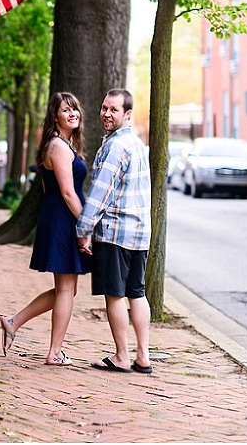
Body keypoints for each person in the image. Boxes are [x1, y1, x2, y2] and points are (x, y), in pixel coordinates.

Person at [0, 92, 91, 365]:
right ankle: (54, 352)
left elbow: (46, 187)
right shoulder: (60, 147)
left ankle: (13, 322)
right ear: (55, 116)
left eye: (75, 109)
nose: (73, 113)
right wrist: (85, 227)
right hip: (64, 220)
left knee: (67, 289)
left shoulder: (60, 144)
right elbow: (66, 192)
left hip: (59, 218)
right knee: (65, 290)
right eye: (66, 110)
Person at [76, 88, 154, 375]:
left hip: (114, 231)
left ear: (128, 114)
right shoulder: (137, 144)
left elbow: (100, 193)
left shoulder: (114, 147)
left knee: (115, 294)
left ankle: (122, 355)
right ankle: (143, 356)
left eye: (114, 110)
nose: (107, 114)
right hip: (139, 232)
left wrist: (83, 229)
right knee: (137, 292)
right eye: (104, 108)